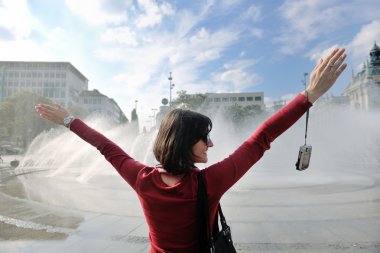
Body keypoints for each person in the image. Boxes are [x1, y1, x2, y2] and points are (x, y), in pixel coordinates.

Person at [35, 48, 347, 252]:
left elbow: (105, 146)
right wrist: (309, 95)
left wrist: (68, 120)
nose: (211, 143)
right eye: (204, 138)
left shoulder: (142, 179)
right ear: (185, 142)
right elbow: (261, 138)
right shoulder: (208, 183)